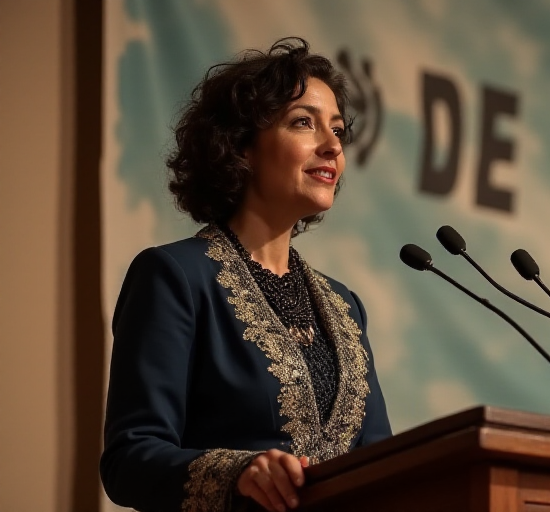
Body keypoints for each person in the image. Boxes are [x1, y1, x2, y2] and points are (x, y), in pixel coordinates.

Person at [100, 38, 392, 512]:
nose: (333, 145)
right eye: (304, 122)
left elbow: (382, 465)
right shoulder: (175, 277)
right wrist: (239, 473)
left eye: (337, 130)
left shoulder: (345, 306)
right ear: (241, 148)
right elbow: (130, 461)